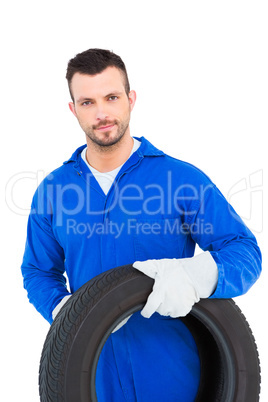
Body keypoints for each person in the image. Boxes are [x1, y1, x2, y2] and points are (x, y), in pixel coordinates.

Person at [21, 48, 262, 401]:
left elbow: (244, 252)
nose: (102, 113)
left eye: (112, 97)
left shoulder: (180, 180)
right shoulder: (54, 192)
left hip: (176, 379)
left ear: (131, 99)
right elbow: (38, 272)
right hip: (91, 377)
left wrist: (195, 276)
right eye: (87, 102)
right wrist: (66, 312)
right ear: (73, 110)